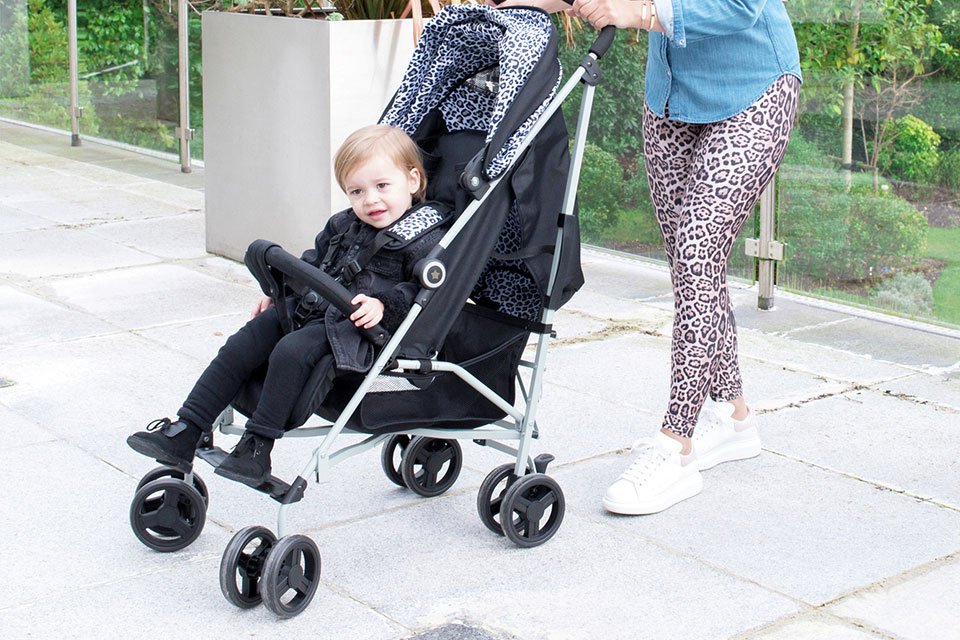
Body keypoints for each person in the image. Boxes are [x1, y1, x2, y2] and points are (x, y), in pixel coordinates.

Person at [494, 0, 801, 514]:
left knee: (697, 253)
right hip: (672, 100)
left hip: (754, 89)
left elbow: (740, 8)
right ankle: (734, 417)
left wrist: (637, 12)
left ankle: (675, 447)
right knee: (692, 265)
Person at [127, 124, 449, 487]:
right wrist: (281, 287)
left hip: (356, 331)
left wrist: (383, 306)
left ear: (412, 180)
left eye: (381, 186)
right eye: (356, 191)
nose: (370, 200)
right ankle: (188, 427)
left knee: (292, 351)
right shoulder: (343, 224)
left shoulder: (425, 238)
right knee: (245, 341)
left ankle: (257, 446)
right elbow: (315, 261)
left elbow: (420, 293)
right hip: (312, 311)